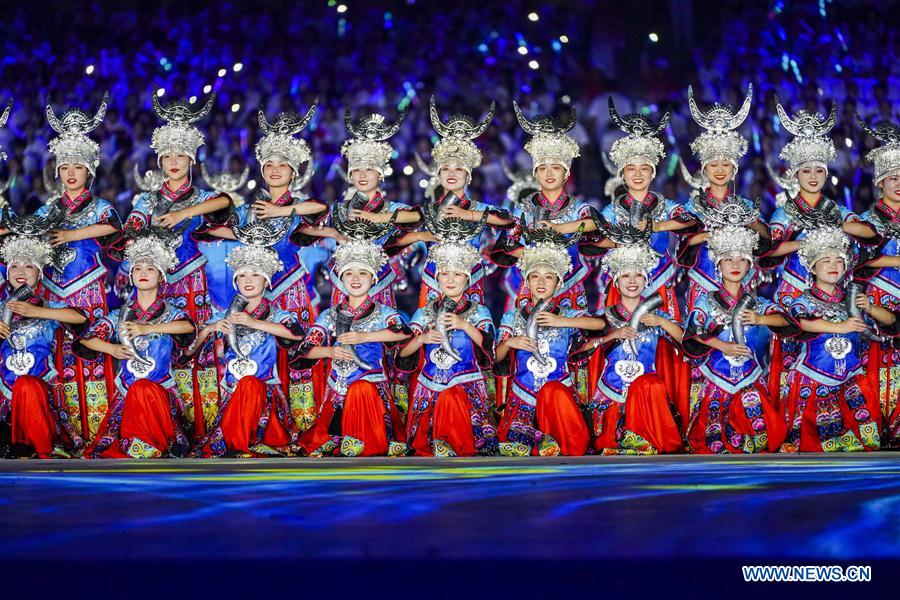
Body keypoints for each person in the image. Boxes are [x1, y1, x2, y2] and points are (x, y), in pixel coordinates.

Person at [198, 104, 327, 433]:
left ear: (294, 172)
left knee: (295, 352)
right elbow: (209, 229)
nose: (274, 169)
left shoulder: (298, 206)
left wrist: (282, 210)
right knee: (257, 353)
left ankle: (300, 423)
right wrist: (239, 233)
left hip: (290, 289)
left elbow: (321, 208)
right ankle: (259, 423)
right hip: (256, 290)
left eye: (282, 165)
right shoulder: (250, 209)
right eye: (268, 164)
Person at [38, 92, 124, 449]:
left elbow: (114, 228)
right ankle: (63, 433)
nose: (70, 174)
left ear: (89, 171)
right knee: (59, 360)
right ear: (58, 171)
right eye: (65, 167)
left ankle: (97, 432)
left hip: (87, 291)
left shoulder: (100, 207)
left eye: (77, 167)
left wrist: (72, 234)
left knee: (92, 356)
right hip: (54, 291)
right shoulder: (48, 209)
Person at [780, 228, 896, 452]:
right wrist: (840, 327)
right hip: (814, 378)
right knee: (815, 444)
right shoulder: (803, 300)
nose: (833, 265)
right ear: (812, 267)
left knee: (867, 441)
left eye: (839, 261)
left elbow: (890, 323)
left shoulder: (853, 299)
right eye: (825, 260)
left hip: (849, 377)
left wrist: (871, 308)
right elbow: (798, 323)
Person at [77, 232, 193, 458]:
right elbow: (85, 339)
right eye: (137, 269)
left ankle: (146, 445)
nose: (143, 273)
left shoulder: (170, 312)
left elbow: (187, 328)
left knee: (145, 388)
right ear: (130, 276)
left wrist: (147, 329)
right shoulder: (121, 315)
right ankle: (140, 446)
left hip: (160, 392)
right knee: (138, 389)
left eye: (150, 269)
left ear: (161, 277)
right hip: (128, 394)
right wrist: (111, 349)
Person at [189, 241, 306, 457]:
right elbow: (188, 351)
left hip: (263, 393)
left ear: (266, 280)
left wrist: (254, 323)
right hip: (233, 394)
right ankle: (236, 441)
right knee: (244, 385)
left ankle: (240, 442)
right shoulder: (226, 315)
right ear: (235, 281)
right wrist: (209, 330)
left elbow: (297, 334)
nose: (249, 280)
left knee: (250, 383)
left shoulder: (276, 315)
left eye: (255, 275)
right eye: (242, 275)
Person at [682, 225, 791, 453]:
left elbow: (787, 322)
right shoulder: (707, 302)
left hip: (749, 380)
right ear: (718, 265)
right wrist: (722, 345)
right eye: (728, 260)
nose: (734, 265)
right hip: (716, 380)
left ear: (749, 266)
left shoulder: (757, 304)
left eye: (741, 260)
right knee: (713, 442)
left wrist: (760, 319)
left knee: (763, 436)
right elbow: (693, 329)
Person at [297, 238, 411, 457]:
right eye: (349, 273)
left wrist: (364, 336)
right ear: (341, 278)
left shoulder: (383, 312)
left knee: (362, 389)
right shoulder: (330, 314)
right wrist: (330, 351)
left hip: (371, 386)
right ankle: (351, 438)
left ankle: (363, 439)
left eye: (363, 273)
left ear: (373, 278)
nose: (356, 279)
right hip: (339, 390)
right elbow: (306, 349)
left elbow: (403, 333)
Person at [395, 97, 512, 306]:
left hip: (470, 288)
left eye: (459, 169)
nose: (451, 174)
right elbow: (396, 239)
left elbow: (508, 221)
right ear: (438, 175)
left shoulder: (479, 209)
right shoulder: (428, 211)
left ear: (468, 176)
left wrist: (468, 215)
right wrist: (422, 235)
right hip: (434, 287)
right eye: (446, 169)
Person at [494, 237, 605, 456]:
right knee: (518, 446)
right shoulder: (513, 316)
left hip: (558, 394)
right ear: (526, 281)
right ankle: (540, 438)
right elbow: (496, 358)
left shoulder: (566, 314)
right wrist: (509, 342)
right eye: (535, 276)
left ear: (558, 283)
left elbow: (600, 324)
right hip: (523, 396)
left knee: (572, 440)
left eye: (549, 276)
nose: (541, 282)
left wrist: (562, 322)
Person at [584, 97, 697, 312]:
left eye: (644, 168)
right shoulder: (612, 211)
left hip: (658, 285)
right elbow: (590, 239)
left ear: (653, 172)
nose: (637, 175)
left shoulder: (665, 206)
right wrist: (620, 243)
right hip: (622, 287)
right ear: (622, 174)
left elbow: (691, 222)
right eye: (631, 169)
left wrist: (657, 226)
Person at [490, 102, 596, 310]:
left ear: (566, 173)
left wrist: (561, 228)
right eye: (543, 168)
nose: (549, 174)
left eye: (555, 168)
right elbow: (507, 246)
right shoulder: (524, 209)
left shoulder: (577, 208)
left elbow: (593, 225)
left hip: (569, 287)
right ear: (535, 173)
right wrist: (536, 258)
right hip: (533, 288)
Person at [399, 240, 498, 456]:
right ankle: (439, 441)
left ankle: (450, 441)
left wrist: (464, 325)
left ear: (467, 279)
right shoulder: (424, 314)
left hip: (465, 386)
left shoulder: (478, 312)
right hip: (430, 387)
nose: (451, 280)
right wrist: (421, 339)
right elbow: (402, 353)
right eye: (445, 274)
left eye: (457, 274)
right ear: (437, 278)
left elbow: (489, 348)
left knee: (451, 397)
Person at [586, 243, 686, 455]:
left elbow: (688, 342)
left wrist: (662, 322)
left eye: (638, 275)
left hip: (647, 397)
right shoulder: (606, 316)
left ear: (646, 280)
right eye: (625, 276)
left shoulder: (656, 316)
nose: (632, 281)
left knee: (651, 383)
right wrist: (613, 335)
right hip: (613, 397)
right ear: (616, 281)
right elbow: (583, 349)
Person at [0, 235, 88, 458]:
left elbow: (80, 318)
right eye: (15, 266)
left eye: (29, 266)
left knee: (26, 385)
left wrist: (37, 312)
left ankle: (40, 448)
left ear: (39, 274)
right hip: (4, 390)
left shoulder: (49, 307)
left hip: (38, 389)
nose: (21, 271)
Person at [855, 115, 900, 448]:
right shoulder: (868, 220)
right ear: (879, 183)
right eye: (891, 178)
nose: (898, 183)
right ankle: (878, 424)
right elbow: (862, 261)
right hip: (880, 297)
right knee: (877, 360)